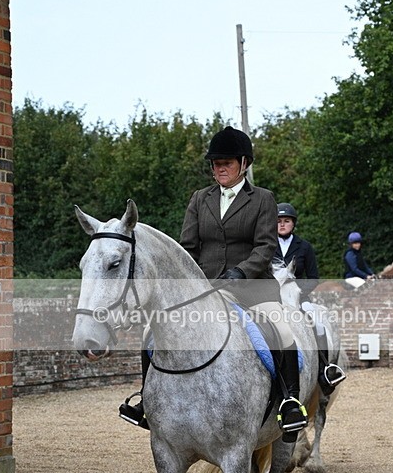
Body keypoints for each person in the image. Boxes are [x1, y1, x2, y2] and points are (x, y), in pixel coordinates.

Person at [120, 126, 308, 440]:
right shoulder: (199, 199)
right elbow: (187, 248)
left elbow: (265, 247)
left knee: (280, 326)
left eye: (227, 162)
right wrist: (186, 283)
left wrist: (241, 272)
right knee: (151, 331)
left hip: (251, 285)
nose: (220, 167)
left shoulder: (262, 199)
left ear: (244, 163)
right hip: (203, 289)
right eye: (215, 163)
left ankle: (289, 401)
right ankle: (145, 399)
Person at [274, 203, 319, 301]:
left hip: (298, 295)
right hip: (273, 296)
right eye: (278, 221)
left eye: (286, 221)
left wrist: (299, 292)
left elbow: (313, 278)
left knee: (310, 312)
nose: (282, 225)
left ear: (293, 223)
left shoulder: (305, 246)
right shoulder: (267, 246)